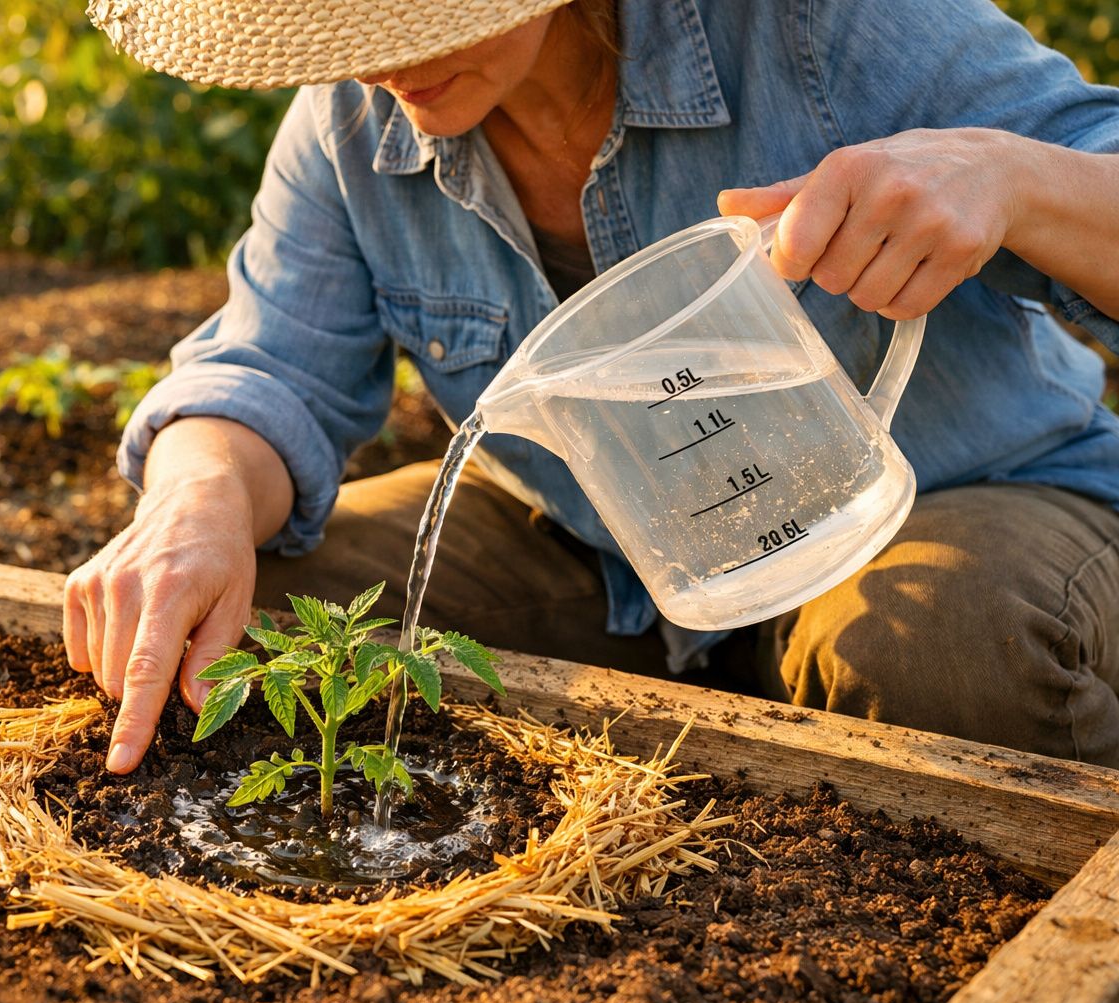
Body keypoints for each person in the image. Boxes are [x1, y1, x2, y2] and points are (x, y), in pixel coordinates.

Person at [66, 0, 1119, 774]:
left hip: (954, 500)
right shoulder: (348, 120)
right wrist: (195, 497)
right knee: (257, 625)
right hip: (599, 539)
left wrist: (1009, 177)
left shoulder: (824, 29)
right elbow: (265, 365)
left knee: (936, 644)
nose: (383, 59)